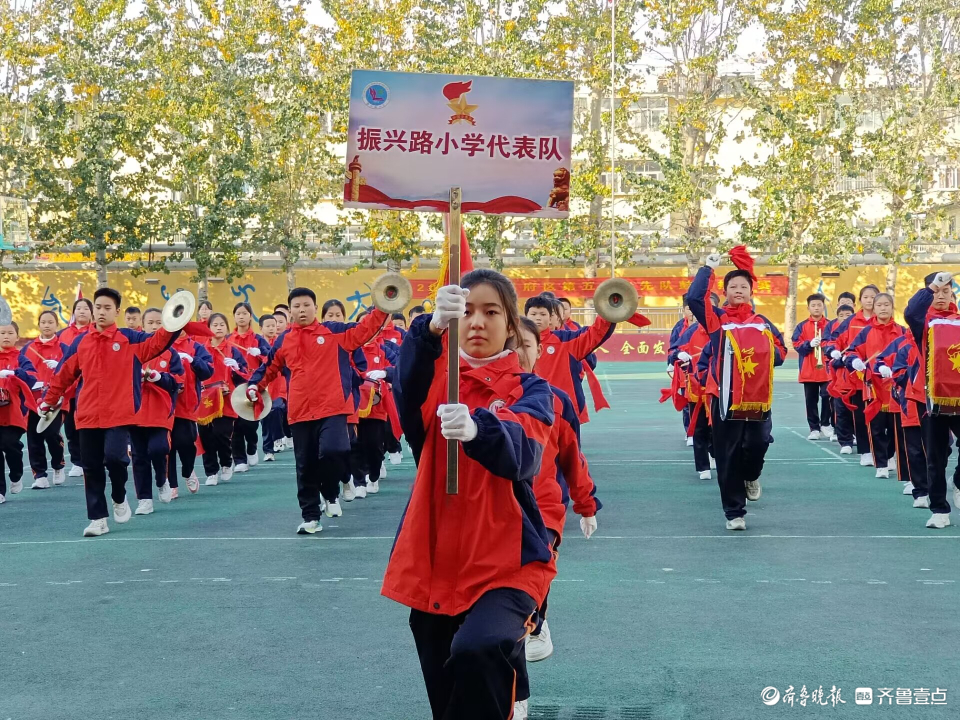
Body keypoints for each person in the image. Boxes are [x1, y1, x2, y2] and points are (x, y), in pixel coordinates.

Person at [382, 269, 556, 720]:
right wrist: (429, 328)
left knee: (481, 645)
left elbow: (525, 455)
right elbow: (407, 384)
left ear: (512, 325)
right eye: (468, 311)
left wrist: (482, 430)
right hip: (436, 555)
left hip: (508, 562)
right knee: (447, 689)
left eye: (491, 311)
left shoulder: (531, 390)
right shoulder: (437, 382)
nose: (477, 322)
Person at [40, 288, 183, 536]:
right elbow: (63, 375)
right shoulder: (81, 342)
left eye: (107, 308)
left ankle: (119, 496)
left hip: (119, 414)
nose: (102, 311)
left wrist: (175, 321)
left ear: (117, 311)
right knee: (91, 467)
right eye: (98, 307)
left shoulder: (131, 339)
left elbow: (158, 342)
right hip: (86, 415)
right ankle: (97, 519)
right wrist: (48, 401)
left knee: (116, 459)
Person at [247, 288, 388, 533]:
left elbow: (365, 330)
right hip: (300, 412)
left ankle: (332, 492)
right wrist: (253, 386)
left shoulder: (335, 332)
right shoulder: (284, 340)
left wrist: (384, 306)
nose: (302, 310)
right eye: (297, 306)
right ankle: (311, 516)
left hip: (333, 408)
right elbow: (269, 368)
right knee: (306, 465)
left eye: (306, 305)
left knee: (337, 450)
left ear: (315, 307)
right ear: (290, 311)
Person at [514, 316, 600, 674]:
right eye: (511, 343)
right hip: (491, 511)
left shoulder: (556, 402)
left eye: (526, 345)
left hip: (543, 508)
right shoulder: (475, 397)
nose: (517, 352)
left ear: (539, 352)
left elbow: (572, 460)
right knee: (500, 608)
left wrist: (586, 506)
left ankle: (538, 621)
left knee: (533, 570)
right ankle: (513, 691)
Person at [688, 250, 787, 531]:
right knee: (727, 454)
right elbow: (694, 299)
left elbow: (781, 351)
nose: (739, 291)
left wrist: (768, 354)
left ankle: (752, 475)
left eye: (744, 286)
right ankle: (734, 512)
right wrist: (708, 268)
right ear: (725, 291)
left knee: (758, 445)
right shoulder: (717, 320)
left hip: (757, 400)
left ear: (752, 291)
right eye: (733, 287)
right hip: (725, 399)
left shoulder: (762, 322)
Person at [904, 271, 960, 528]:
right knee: (936, 455)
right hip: (930, 398)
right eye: (936, 292)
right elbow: (911, 311)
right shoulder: (923, 322)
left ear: (953, 294)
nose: (940, 296)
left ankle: (958, 481)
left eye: (945, 291)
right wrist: (934, 284)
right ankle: (939, 510)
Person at [524, 294, 618, 423]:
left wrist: (610, 310)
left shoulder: (566, 340)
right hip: (529, 409)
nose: (538, 318)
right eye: (533, 314)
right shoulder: (514, 342)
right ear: (526, 316)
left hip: (564, 411)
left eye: (543, 314)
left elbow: (594, 333)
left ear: (550, 318)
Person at [843, 293, 906, 479]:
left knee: (896, 427)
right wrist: (854, 361)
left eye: (887, 304)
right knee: (876, 427)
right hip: (874, 386)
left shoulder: (902, 331)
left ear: (892, 307)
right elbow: (852, 351)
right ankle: (881, 464)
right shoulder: (867, 331)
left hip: (896, 386)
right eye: (879, 305)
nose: (883, 308)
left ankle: (890, 455)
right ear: (874, 308)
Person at [129, 308, 184, 514]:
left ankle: (162, 480)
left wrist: (157, 377)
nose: (154, 326)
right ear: (142, 326)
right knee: (139, 456)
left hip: (161, 411)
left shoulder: (170, 353)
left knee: (159, 449)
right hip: (135, 411)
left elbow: (178, 381)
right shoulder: (133, 349)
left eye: (158, 322)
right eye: (150, 322)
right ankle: (144, 499)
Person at [826, 285, 879, 466]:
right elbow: (835, 340)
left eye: (873, 297)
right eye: (866, 296)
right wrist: (833, 351)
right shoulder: (851, 321)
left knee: (880, 418)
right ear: (860, 299)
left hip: (878, 378)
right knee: (860, 416)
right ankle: (865, 451)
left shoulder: (882, 319)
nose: (870, 300)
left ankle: (882, 452)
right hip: (856, 376)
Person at [668, 294, 719, 479]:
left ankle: (714, 455)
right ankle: (702, 466)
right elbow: (674, 350)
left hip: (718, 389)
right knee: (699, 427)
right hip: (696, 387)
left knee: (718, 428)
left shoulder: (722, 330)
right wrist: (679, 355)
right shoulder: (691, 331)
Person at [198, 313, 248, 486]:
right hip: (205, 398)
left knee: (221, 433)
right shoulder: (200, 349)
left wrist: (236, 366)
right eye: (215, 325)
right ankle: (211, 471)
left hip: (226, 398)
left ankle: (226, 462)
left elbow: (245, 375)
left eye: (222, 324)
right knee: (206, 435)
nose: (218, 328)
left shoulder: (232, 349)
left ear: (227, 327)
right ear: (208, 328)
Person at [168, 313, 214, 495]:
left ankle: (187, 470)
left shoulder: (196, 347)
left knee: (186, 442)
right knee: (166, 446)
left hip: (187, 404)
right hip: (164, 404)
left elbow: (208, 371)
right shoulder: (162, 346)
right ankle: (171, 485)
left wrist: (193, 360)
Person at [21, 310, 66, 489]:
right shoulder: (28, 348)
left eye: (50, 322)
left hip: (55, 400)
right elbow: (21, 370)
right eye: (43, 322)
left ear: (56, 325)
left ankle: (58, 464)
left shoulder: (63, 347)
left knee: (52, 434)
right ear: (38, 324)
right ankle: (39, 475)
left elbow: (72, 368)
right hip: (33, 400)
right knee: (33, 437)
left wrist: (60, 365)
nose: (46, 325)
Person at [228, 302, 270, 471]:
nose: (241, 316)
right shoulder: (229, 340)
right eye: (238, 313)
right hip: (235, 383)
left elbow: (271, 359)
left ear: (250, 316)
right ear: (234, 316)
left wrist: (260, 353)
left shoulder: (258, 339)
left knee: (251, 422)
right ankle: (239, 460)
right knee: (236, 423)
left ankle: (252, 446)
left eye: (245, 313)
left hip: (254, 383)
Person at [0, 322, 38, 504]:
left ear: (17, 337)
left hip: (15, 412)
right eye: (2, 333)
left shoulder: (21, 358)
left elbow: (32, 378)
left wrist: (14, 372)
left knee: (9, 444)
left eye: (9, 333)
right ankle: (0, 490)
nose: (5, 336)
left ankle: (16, 474)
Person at [59, 297, 93, 477]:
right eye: (78, 308)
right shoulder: (62, 334)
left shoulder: (94, 332)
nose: (82, 311)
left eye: (86, 309)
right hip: (69, 390)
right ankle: (77, 461)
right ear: (73, 312)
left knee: (91, 426)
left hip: (90, 387)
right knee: (71, 427)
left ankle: (95, 457)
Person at [792, 293, 833, 440]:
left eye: (819, 305)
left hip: (827, 370)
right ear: (808, 307)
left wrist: (826, 345)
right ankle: (814, 428)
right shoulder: (801, 326)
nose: (816, 308)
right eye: (813, 305)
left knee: (827, 396)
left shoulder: (830, 324)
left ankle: (826, 424)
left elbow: (836, 342)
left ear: (823, 306)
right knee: (811, 400)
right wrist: (809, 344)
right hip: (809, 369)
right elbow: (796, 345)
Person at [825, 303, 857, 453]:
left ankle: (858, 437)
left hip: (857, 380)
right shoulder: (835, 335)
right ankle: (845, 441)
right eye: (841, 316)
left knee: (858, 412)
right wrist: (840, 358)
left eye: (848, 315)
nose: (845, 318)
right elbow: (830, 356)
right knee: (842, 412)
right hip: (841, 381)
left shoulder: (859, 333)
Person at [258, 314, 282, 460]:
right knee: (265, 417)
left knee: (278, 409)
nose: (272, 328)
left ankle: (279, 437)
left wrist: (262, 353)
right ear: (261, 328)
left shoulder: (279, 342)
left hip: (277, 383)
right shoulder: (257, 342)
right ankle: (268, 450)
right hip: (261, 383)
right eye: (268, 326)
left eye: (273, 325)